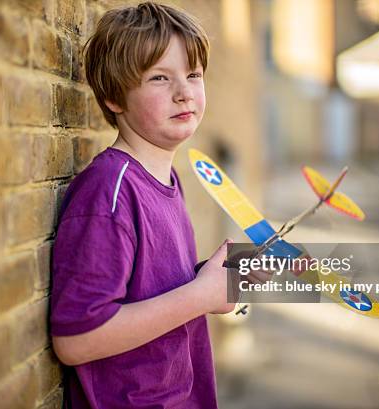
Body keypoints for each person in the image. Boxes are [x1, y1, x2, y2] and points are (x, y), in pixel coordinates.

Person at [50, 3, 238, 408]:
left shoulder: (166, 180)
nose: (184, 91)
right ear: (115, 97)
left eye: (193, 75)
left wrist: (210, 280)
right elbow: (76, 338)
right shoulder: (110, 191)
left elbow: (150, 290)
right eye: (159, 77)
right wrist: (200, 297)